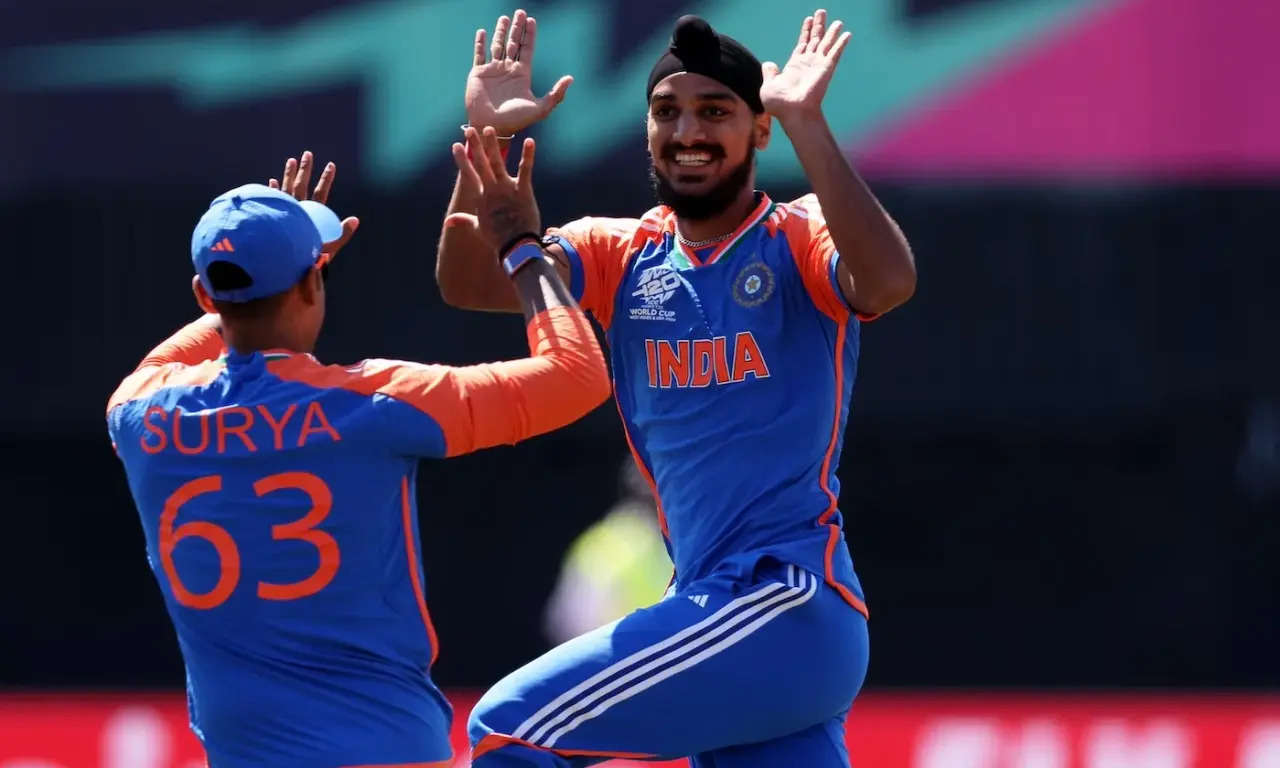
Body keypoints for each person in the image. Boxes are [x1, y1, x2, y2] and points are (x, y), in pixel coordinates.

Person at [437, 8, 917, 767]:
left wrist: (806, 123)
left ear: (760, 132)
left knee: (507, 726)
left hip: (783, 598)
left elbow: (887, 281)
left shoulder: (796, 236)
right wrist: (487, 143)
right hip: (717, 607)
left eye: (716, 111)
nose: (687, 131)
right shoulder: (621, 252)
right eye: (667, 112)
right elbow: (467, 282)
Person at [105, 145, 609, 768]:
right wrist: (522, 250)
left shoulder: (140, 415)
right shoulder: (373, 403)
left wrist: (269, 277)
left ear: (203, 295)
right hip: (389, 752)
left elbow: (169, 359)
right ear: (315, 282)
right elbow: (576, 376)